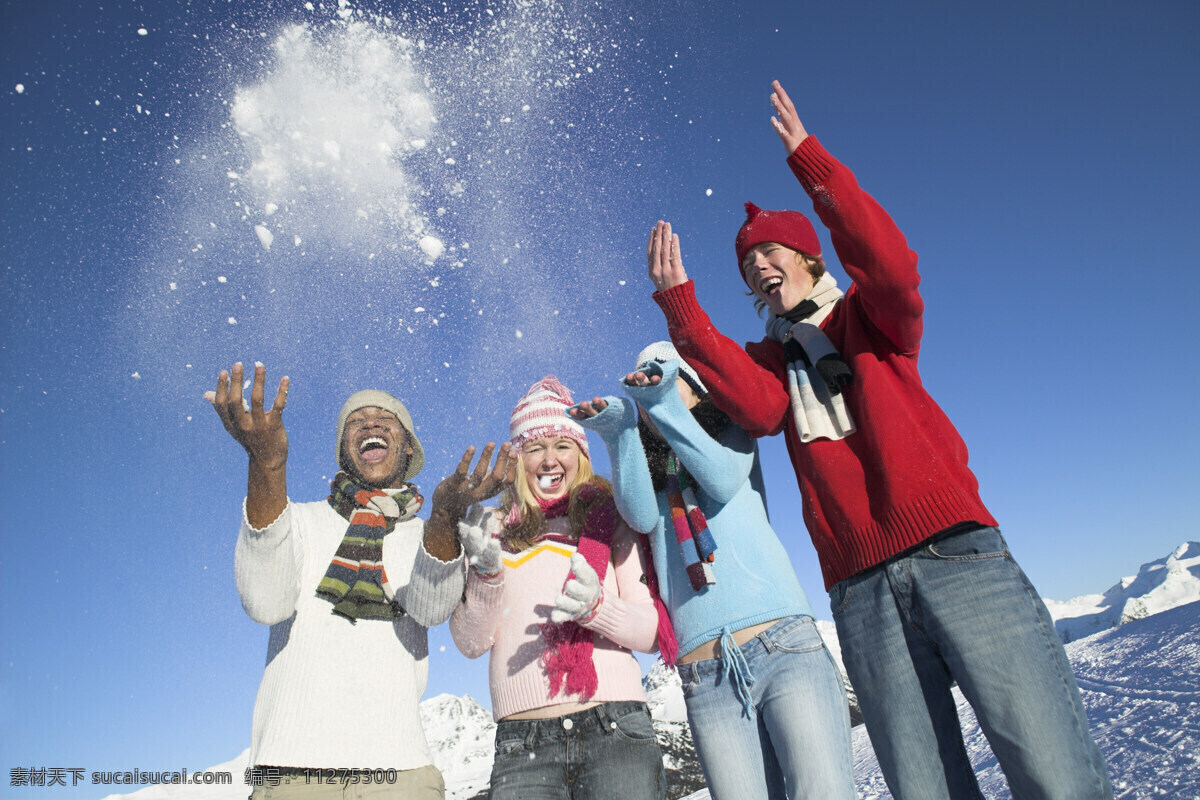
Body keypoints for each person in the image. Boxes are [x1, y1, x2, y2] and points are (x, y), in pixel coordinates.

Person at [644, 81, 1113, 800]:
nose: (760, 268)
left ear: (808, 259)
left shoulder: (872, 320)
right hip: (861, 591)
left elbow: (892, 267)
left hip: (956, 555)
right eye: (748, 266)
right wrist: (683, 308)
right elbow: (756, 406)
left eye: (771, 252)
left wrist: (813, 165)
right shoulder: (771, 364)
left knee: (1053, 775)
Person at [206, 361, 515, 800]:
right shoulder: (298, 520)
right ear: (342, 450)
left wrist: (444, 516)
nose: (371, 422)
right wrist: (267, 462)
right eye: (356, 421)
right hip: (294, 772)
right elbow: (264, 602)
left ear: (407, 449)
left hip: (400, 772)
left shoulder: (428, 536)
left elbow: (430, 608)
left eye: (386, 420)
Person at [569, 341, 855, 800]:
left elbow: (718, 480)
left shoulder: (731, 430)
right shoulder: (650, 462)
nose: (653, 389)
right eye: (646, 382)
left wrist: (662, 406)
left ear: (696, 388)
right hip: (704, 673)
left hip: (783, 644)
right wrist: (621, 432)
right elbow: (641, 516)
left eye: (664, 378)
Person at [449, 376, 666, 800]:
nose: (550, 460)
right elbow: (470, 643)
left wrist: (597, 609)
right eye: (534, 448)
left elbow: (652, 633)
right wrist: (487, 576)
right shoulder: (491, 530)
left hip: (616, 727)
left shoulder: (610, 519)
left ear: (580, 454)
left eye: (562, 445)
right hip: (522, 742)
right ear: (518, 460)